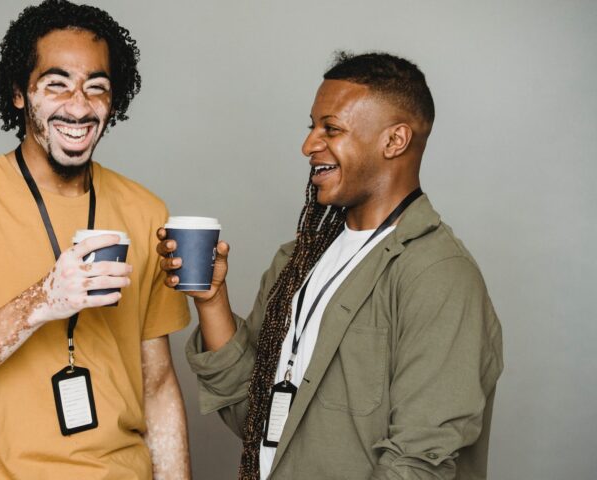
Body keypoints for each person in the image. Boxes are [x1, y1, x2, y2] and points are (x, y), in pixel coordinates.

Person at [157, 52, 503, 479]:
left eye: (331, 129)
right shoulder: (296, 260)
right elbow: (255, 418)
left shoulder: (438, 275)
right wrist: (211, 302)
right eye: (312, 126)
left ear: (394, 141)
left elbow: (418, 464)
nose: (308, 145)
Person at [0, 1, 191, 478]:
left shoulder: (146, 210)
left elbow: (158, 385)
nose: (79, 106)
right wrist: (40, 302)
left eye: (97, 88)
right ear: (19, 94)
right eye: (56, 85)